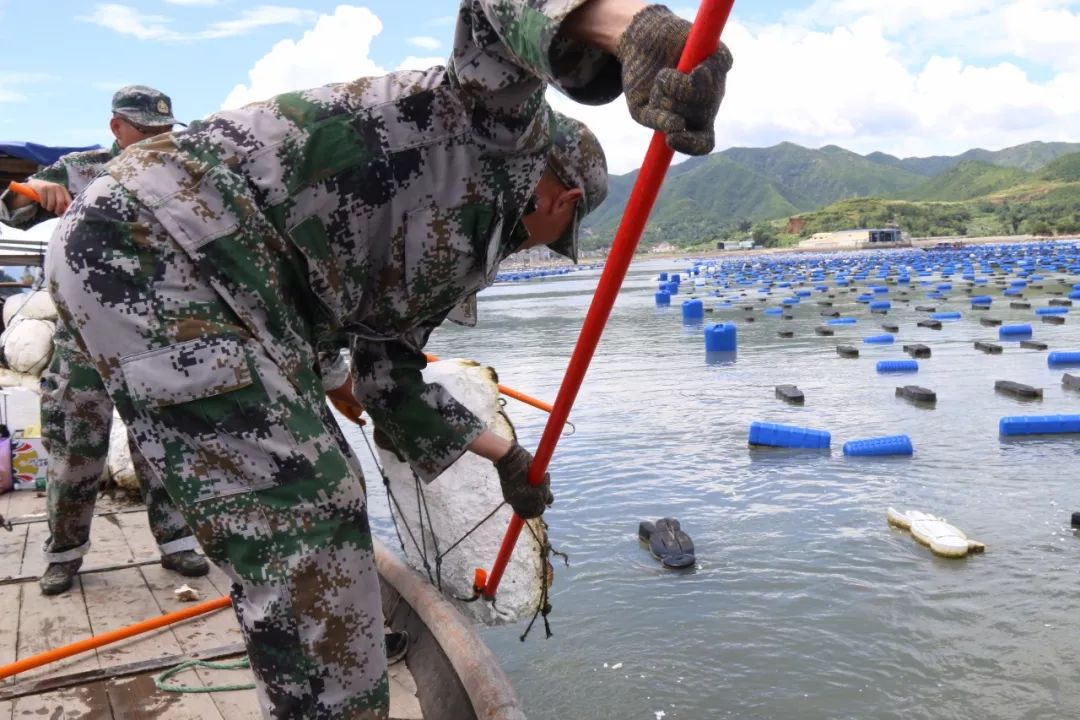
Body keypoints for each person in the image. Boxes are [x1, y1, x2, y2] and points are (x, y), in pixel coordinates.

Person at [48, 1, 732, 716]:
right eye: (551, 235)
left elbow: (389, 379)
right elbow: (494, 15)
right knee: (306, 510)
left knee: (316, 500)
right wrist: (628, 31)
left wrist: (505, 456)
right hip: (156, 241)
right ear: (561, 196)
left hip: (230, 282)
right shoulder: (500, 131)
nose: (534, 246)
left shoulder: (458, 251)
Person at [2, 85, 210, 595]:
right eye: (147, 131)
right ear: (117, 127)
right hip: (86, 341)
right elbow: (12, 209)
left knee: (166, 446)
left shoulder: (181, 174)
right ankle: (64, 555)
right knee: (77, 450)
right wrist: (33, 193)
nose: (158, 140)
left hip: (156, 339)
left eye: (165, 131)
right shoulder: (80, 168)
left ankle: (177, 542)